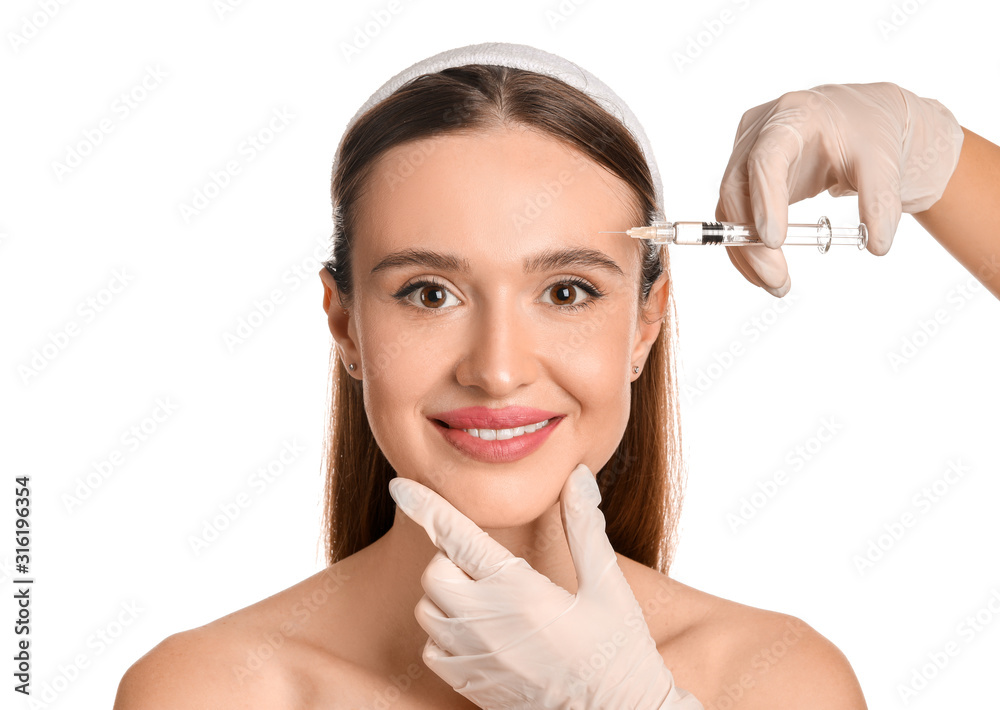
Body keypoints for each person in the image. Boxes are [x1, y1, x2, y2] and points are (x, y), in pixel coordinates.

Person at [111, 40, 992, 708]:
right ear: (344, 323)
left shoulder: (770, 682)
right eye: (429, 292)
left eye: (567, 290)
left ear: (646, 321)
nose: (497, 369)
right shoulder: (215, 689)